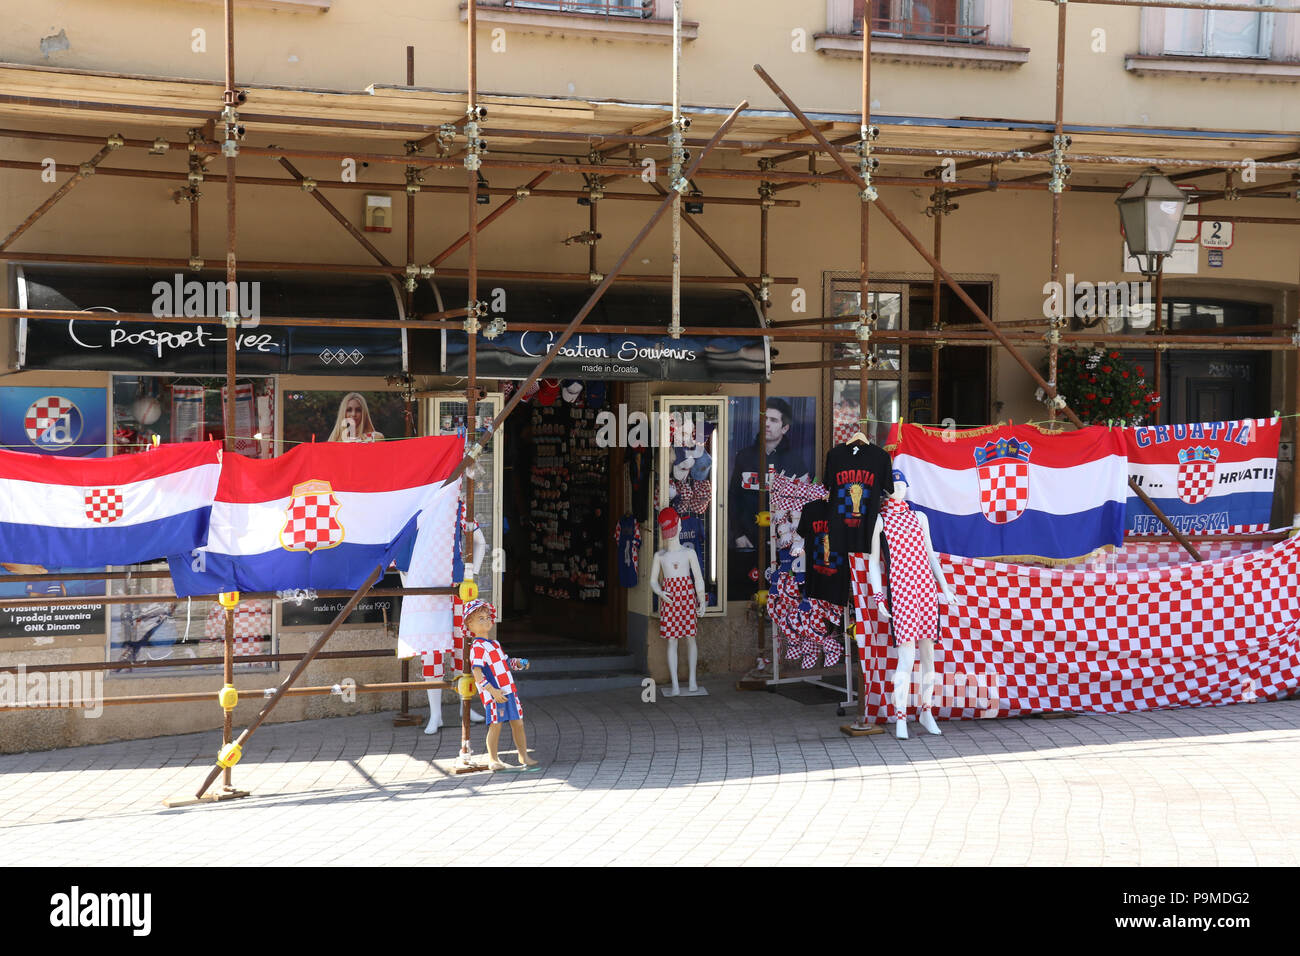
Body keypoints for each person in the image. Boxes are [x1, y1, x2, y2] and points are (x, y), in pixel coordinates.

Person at [728, 398, 811, 595]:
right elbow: (733, 498)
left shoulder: (795, 462)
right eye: (765, 418)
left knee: (782, 596)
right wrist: (738, 534)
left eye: (774, 420)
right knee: (744, 592)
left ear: (785, 428)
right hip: (746, 542)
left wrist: (792, 541)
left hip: (782, 548)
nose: (766, 423)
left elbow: (802, 506)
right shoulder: (744, 457)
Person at [466, 599, 539, 772]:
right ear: (470, 624)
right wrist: (491, 690)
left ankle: (523, 755)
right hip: (494, 693)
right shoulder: (477, 647)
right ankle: (493, 758)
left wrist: (518, 663)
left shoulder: (495, 644)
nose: (486, 621)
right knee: (496, 724)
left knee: (518, 723)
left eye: (487, 617)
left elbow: (505, 663)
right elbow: (477, 673)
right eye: (480, 618)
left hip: (508, 690)